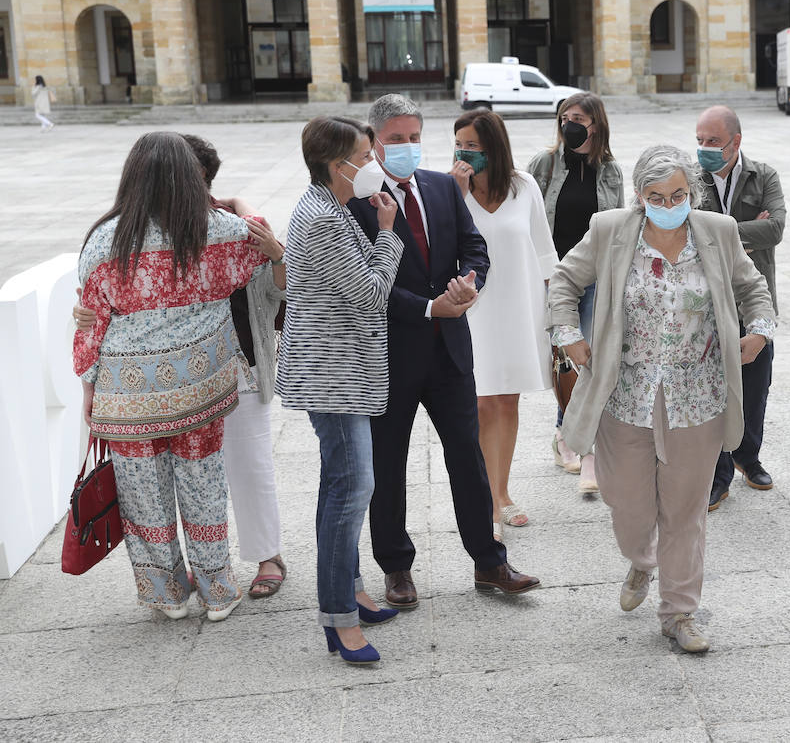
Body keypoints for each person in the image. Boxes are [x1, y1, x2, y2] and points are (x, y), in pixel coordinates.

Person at [548, 145, 776, 654]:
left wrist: (758, 333)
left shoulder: (716, 232)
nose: (669, 203)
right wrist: (567, 334)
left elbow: (753, 287)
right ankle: (642, 560)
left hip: (698, 397)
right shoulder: (611, 231)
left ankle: (680, 613)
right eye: (656, 196)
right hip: (624, 394)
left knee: (685, 511)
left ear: (690, 192)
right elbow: (564, 281)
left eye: (678, 194)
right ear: (638, 196)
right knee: (627, 504)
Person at [74, 134, 290, 599]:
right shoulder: (218, 230)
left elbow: (92, 322)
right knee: (202, 488)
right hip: (199, 388)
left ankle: (165, 594)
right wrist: (240, 206)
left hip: (126, 397)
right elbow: (261, 239)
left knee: (144, 498)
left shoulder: (101, 241)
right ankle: (216, 591)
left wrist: (89, 389)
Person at [349, 94, 539, 607]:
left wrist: (468, 284)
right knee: (388, 465)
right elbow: (368, 283)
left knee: (468, 458)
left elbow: (473, 245)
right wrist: (433, 306)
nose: (408, 148)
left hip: (451, 352)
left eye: (415, 138)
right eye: (396, 140)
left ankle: (489, 562)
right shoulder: (355, 203)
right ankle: (396, 568)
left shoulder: (440, 187)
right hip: (390, 354)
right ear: (373, 143)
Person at [275, 116, 408, 664]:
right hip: (332, 377)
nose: (373, 162)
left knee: (342, 487)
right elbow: (371, 294)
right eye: (365, 154)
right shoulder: (324, 218)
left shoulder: (327, 206)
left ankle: (350, 590)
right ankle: (339, 619)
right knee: (351, 490)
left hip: (337, 372)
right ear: (339, 166)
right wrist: (388, 235)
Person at [450, 107, 558, 539]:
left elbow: (544, 251)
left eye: (473, 145)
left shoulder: (524, 185)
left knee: (507, 401)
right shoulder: (446, 188)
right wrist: (456, 194)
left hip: (518, 307)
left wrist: (557, 316)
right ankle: (482, 497)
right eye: (459, 144)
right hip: (472, 310)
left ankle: (502, 493)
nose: (465, 152)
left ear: (494, 146)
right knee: (477, 403)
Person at [528, 92, 625, 492]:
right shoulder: (543, 165)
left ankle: (580, 442)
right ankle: (566, 434)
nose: (570, 123)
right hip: (554, 278)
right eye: (565, 116)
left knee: (588, 359)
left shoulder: (610, 171)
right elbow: (529, 220)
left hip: (594, 277)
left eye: (579, 117)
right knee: (561, 359)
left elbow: (619, 227)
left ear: (596, 124)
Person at [694, 105, 786, 512]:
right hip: (707, 303)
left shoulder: (763, 175)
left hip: (753, 299)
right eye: (699, 140)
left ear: (736, 141)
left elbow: (776, 229)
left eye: (712, 141)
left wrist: (721, 231)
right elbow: (688, 232)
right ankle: (717, 475)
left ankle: (748, 457)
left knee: (755, 387)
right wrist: (745, 230)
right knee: (713, 390)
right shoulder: (692, 179)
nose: (704, 149)